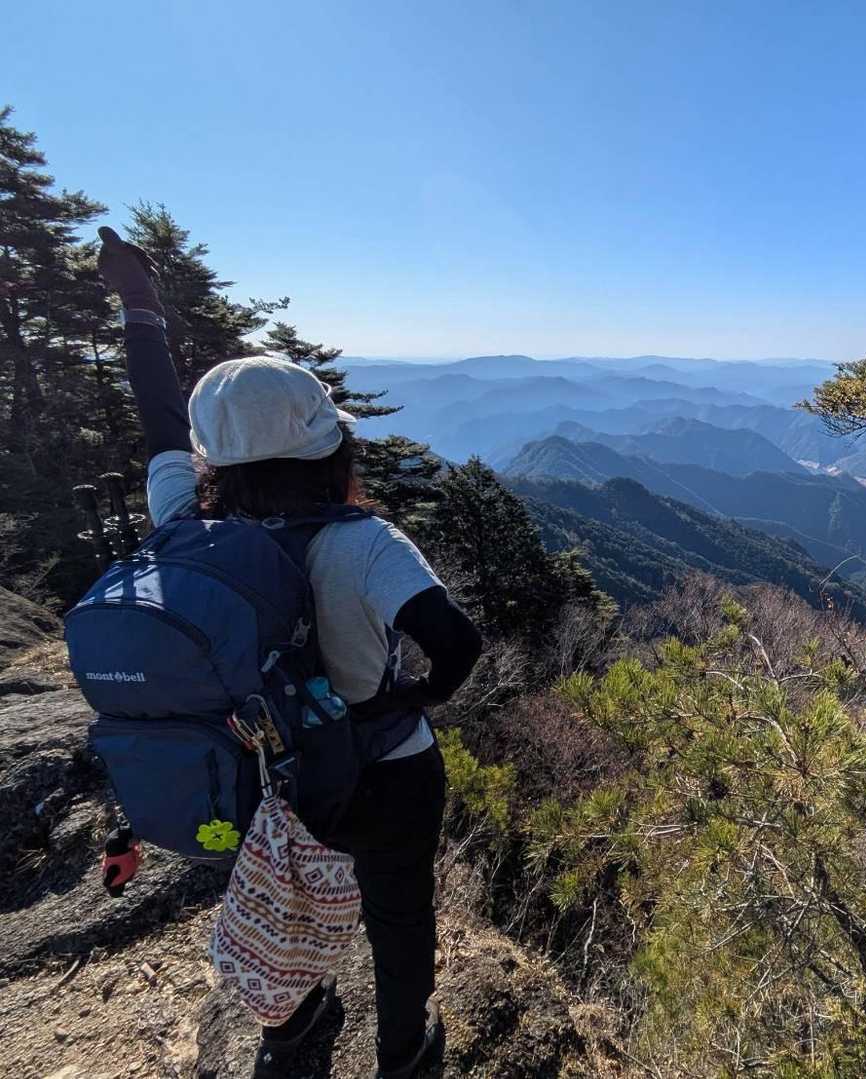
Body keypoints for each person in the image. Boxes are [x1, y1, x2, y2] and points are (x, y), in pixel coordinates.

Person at [96, 226, 482, 1079]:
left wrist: (139, 305)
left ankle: (295, 1025)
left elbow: (159, 420)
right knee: (398, 914)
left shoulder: (188, 528)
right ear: (329, 446)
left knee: (283, 897)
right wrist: (404, 701)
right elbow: (457, 645)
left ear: (213, 454)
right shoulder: (365, 543)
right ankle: (403, 1053)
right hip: (387, 771)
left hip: (269, 776)